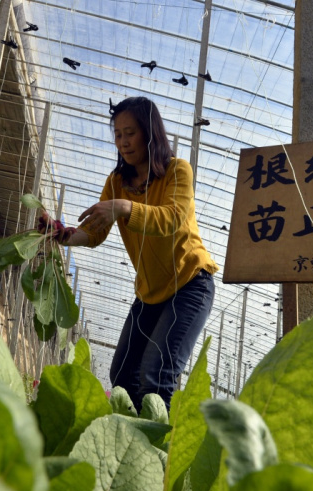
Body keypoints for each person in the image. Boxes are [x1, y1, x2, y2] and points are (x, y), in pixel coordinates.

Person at [38, 96, 217, 413]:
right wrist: (62, 234)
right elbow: (95, 233)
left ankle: (160, 453)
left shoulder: (178, 171)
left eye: (130, 132)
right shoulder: (116, 182)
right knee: (121, 375)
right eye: (118, 134)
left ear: (150, 132)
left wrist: (123, 207)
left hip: (189, 284)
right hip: (149, 292)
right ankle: (133, 437)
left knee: (156, 377)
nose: (123, 141)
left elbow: (172, 218)